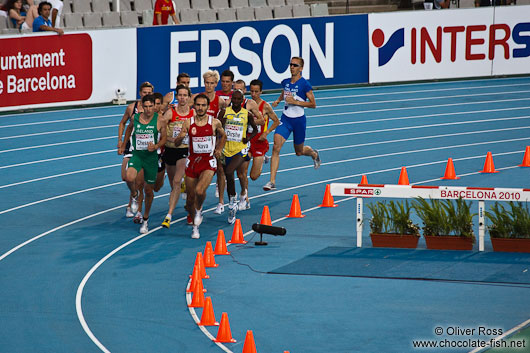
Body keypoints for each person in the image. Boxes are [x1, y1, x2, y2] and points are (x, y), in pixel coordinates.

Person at [173, 94, 226, 239]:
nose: (201, 108)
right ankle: (195, 226)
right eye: (198, 105)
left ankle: (199, 209)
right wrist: (179, 137)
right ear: (194, 106)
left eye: (203, 105)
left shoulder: (214, 122)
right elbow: (178, 143)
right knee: (190, 199)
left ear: (208, 107)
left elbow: (223, 136)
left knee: (200, 190)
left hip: (208, 162)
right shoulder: (188, 123)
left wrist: (219, 148)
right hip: (192, 162)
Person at [263, 57, 320, 191]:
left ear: (301, 68)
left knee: (299, 152)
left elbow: (313, 104)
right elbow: (285, 91)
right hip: (286, 119)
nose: (292, 67)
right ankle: (271, 181)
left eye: (295, 65)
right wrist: (278, 100)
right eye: (291, 64)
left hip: (299, 121)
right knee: (276, 147)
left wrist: (296, 102)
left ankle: (314, 154)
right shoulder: (286, 82)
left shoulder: (305, 84)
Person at [119, 94, 167, 234]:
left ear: (154, 106)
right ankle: (134, 195)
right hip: (138, 156)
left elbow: (164, 139)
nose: (148, 109)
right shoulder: (135, 118)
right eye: (145, 107)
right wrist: (123, 143)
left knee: (148, 191)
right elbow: (128, 129)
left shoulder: (161, 120)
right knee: (129, 177)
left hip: (151, 158)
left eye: (150, 106)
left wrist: (156, 145)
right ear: (142, 107)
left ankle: (145, 219)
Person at [191, 70, 228, 215]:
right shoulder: (198, 99)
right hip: (198, 139)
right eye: (207, 83)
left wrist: (220, 143)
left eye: (212, 83)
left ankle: (221, 202)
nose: (209, 86)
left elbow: (223, 121)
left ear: (216, 84)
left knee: (220, 169)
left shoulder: (220, 101)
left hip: (214, 139)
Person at [118, 82, 153, 220]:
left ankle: (138, 211)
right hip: (131, 145)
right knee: (126, 176)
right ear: (140, 93)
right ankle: (133, 195)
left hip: (146, 149)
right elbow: (123, 123)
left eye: (149, 93)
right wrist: (121, 142)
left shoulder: (154, 109)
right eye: (144, 92)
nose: (147, 95)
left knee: (140, 181)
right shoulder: (132, 108)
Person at [220, 90, 257, 224]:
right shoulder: (224, 112)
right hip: (226, 149)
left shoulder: (247, 114)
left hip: (240, 149)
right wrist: (222, 124)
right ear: (231, 99)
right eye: (233, 99)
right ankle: (232, 201)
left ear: (242, 100)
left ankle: (233, 201)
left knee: (230, 171)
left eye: (238, 99)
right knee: (228, 176)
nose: (235, 101)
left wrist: (248, 139)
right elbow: (217, 128)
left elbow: (256, 129)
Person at [161, 84, 194, 228]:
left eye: (185, 95)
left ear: (188, 97)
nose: (182, 98)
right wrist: (169, 139)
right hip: (169, 151)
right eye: (179, 95)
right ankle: (189, 206)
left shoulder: (193, 114)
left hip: (184, 151)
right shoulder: (170, 112)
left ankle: (169, 215)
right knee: (174, 185)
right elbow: (159, 128)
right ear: (177, 96)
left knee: (176, 181)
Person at [153, 92, 166, 193]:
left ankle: (162, 177)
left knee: (156, 188)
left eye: (158, 104)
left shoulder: (164, 118)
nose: (155, 106)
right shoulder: (143, 117)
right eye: (154, 103)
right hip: (146, 153)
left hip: (161, 153)